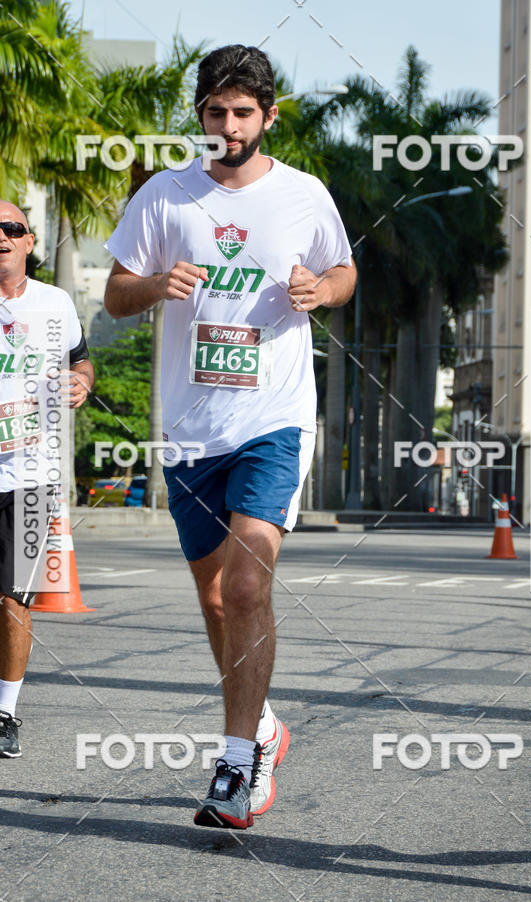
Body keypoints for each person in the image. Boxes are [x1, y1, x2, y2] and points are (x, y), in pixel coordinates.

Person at [104, 44, 356, 829]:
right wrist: (155, 284)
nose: (229, 125)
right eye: (215, 111)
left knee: (248, 586)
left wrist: (322, 290)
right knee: (216, 600)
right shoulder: (166, 197)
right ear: (200, 114)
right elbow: (115, 295)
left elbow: (343, 272)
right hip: (189, 430)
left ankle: (237, 766)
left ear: (269, 115)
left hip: (272, 420)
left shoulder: (303, 195)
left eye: (244, 112)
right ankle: (266, 723)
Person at [0, 201, 94, 757]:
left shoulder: (55, 302)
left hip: (34, 475)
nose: (1, 238)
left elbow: (81, 362)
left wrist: (80, 384)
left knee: (15, 598)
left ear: (29, 241)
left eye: (11, 229)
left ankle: (4, 712)